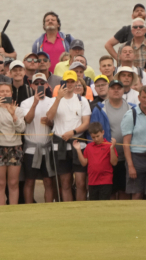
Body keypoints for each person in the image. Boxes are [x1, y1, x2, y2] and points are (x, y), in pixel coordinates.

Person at [47, 71, 91, 202]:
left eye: (72, 81)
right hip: (59, 145)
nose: (70, 84)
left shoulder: (82, 101)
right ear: (63, 83)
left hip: (78, 144)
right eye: (68, 81)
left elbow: (86, 123)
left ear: (76, 83)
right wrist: (58, 98)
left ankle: (80, 211)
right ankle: (68, 211)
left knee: (80, 183)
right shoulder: (54, 100)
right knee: (65, 183)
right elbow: (49, 117)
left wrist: (73, 132)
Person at [0, 83, 26, 205]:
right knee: (0, 182)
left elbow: (21, 129)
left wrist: (13, 114)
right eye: (2, 92)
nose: (4, 94)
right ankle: (1, 209)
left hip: (15, 147)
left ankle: (13, 209)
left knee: (14, 182)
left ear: (11, 94)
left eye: (7, 91)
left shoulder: (18, 110)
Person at [21, 74, 55, 203]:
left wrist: (50, 122)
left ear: (47, 85)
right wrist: (35, 103)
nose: (39, 85)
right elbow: (28, 120)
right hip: (31, 148)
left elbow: (55, 123)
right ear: (32, 85)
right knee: (30, 180)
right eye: (37, 83)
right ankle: (29, 207)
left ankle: (49, 208)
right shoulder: (26, 102)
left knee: (48, 181)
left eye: (42, 83)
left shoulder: (52, 101)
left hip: (47, 147)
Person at [73, 122, 118, 201]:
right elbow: (84, 163)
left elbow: (114, 162)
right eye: (93, 137)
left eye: (98, 136)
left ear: (103, 132)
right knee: (93, 205)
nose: (96, 139)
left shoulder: (109, 145)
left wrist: (112, 148)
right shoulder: (89, 147)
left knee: (103, 204)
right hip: (92, 182)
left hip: (106, 181)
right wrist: (78, 150)